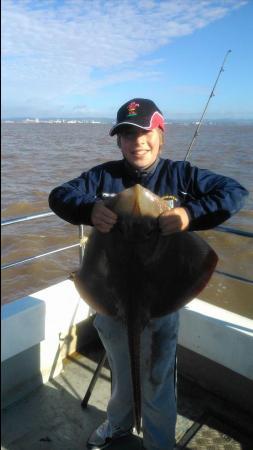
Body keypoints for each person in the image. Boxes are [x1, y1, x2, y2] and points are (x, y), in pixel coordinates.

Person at [48, 98, 248, 450]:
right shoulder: (103, 177)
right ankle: (119, 425)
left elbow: (234, 192)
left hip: (161, 300)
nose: (137, 141)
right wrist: (89, 209)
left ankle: (159, 443)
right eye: (127, 134)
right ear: (118, 141)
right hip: (112, 301)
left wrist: (189, 213)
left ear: (161, 134)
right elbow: (58, 196)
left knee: (157, 380)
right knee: (122, 375)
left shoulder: (181, 176)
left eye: (144, 132)